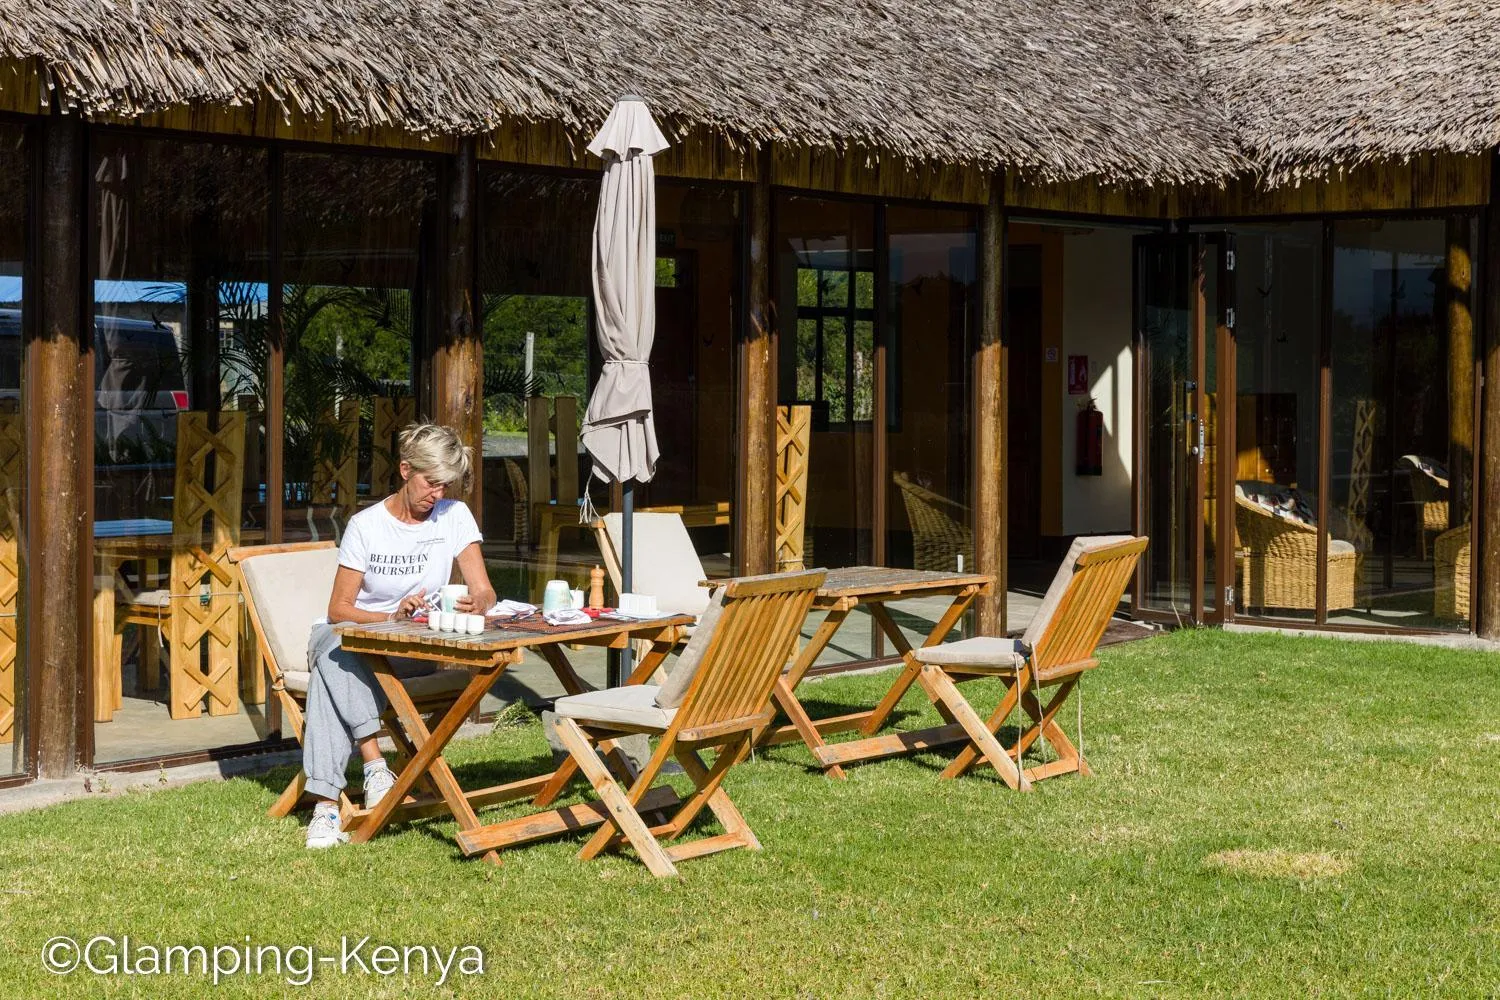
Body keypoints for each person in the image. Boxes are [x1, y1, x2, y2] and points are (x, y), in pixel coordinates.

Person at [302, 422, 496, 848]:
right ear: (406, 469)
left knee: (328, 675)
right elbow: (339, 611)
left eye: (446, 485)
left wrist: (477, 602)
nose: (437, 495)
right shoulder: (366, 526)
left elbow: (484, 590)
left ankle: (327, 805)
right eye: (431, 483)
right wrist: (391, 614)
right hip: (354, 638)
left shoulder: (454, 516)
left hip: (412, 649)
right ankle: (368, 770)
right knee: (337, 650)